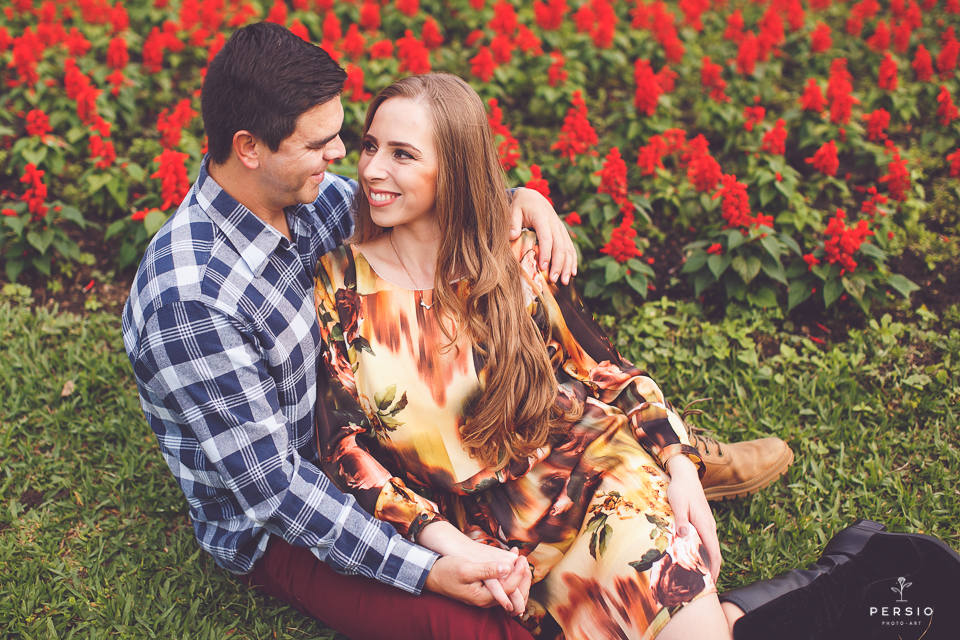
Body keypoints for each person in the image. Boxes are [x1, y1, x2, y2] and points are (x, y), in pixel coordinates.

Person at [122, 20, 793, 640]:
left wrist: (521, 201)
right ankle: (777, 597)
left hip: (530, 459)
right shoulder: (192, 301)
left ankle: (680, 461)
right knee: (494, 623)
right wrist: (428, 562)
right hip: (289, 516)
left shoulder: (312, 197)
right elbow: (276, 490)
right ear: (250, 149)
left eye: (345, 139)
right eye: (323, 142)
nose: (347, 161)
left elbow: (433, 198)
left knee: (634, 547)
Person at [311, 73, 960, 640]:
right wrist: (445, 544)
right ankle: (847, 570)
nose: (370, 170)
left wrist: (678, 467)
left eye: (401, 154)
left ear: (452, 167)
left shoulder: (506, 255)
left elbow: (602, 370)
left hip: (602, 483)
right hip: (495, 538)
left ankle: (838, 573)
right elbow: (347, 450)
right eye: (370, 146)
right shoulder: (340, 285)